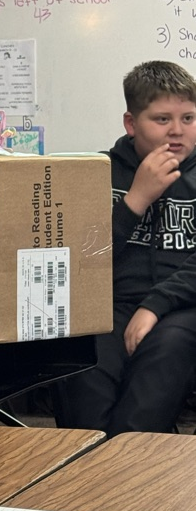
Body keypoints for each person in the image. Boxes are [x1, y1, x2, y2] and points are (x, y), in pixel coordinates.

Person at [53, 60, 196, 436]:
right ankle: (93, 464)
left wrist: (155, 305)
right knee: (83, 357)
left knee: (168, 349)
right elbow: (81, 260)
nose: (178, 131)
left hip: (182, 306)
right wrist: (134, 201)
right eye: (162, 119)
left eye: (189, 118)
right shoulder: (99, 171)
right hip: (108, 305)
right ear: (131, 124)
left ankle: (128, 462)